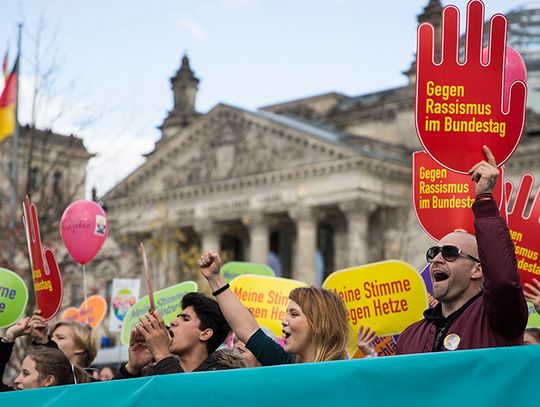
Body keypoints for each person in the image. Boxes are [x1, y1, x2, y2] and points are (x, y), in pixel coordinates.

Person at [397, 146, 528, 354]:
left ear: (477, 269)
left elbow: (503, 280)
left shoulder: (499, 319)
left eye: (450, 252)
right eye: (434, 252)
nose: (437, 259)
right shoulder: (410, 336)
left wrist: (484, 198)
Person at [197, 250, 350, 365]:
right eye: (286, 313)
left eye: (294, 314)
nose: (284, 321)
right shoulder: (284, 363)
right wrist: (214, 278)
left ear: (319, 324)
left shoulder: (347, 374)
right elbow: (246, 329)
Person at [114, 292, 231, 378]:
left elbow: (183, 398)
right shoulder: (152, 373)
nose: (173, 322)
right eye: (177, 316)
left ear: (205, 334)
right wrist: (132, 368)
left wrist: (162, 354)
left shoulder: (221, 375)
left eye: (185, 319)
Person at [1, 318, 87, 392]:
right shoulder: (16, 401)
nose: (16, 380)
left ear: (49, 380)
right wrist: (9, 336)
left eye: (26, 374)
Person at [30, 311, 99, 368]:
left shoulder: (97, 384)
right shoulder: (45, 379)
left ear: (80, 347)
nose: (51, 340)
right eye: (51, 337)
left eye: (60, 338)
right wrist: (40, 339)